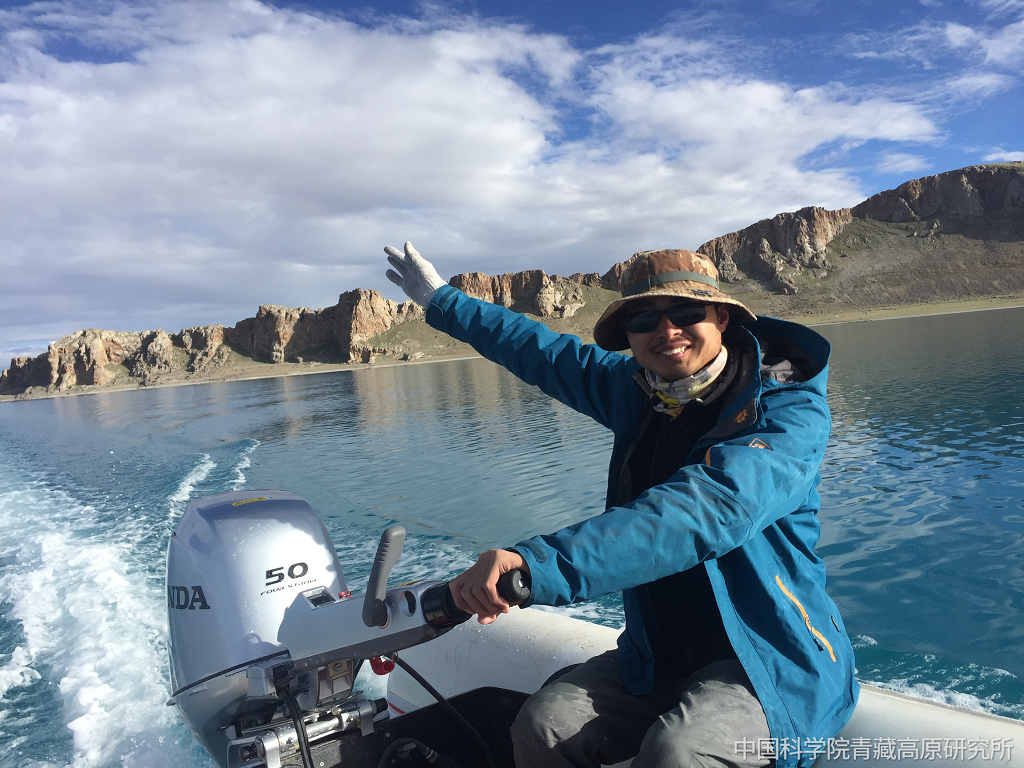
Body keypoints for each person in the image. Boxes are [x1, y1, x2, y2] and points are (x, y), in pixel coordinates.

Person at [384, 242, 858, 768]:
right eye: (644, 319)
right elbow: (538, 350)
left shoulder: (787, 412)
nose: (667, 330)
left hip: (772, 656)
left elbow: (709, 509)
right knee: (542, 726)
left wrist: (537, 566)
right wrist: (442, 299)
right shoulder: (636, 391)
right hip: (659, 657)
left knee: (677, 753)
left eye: (686, 312)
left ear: (722, 318)